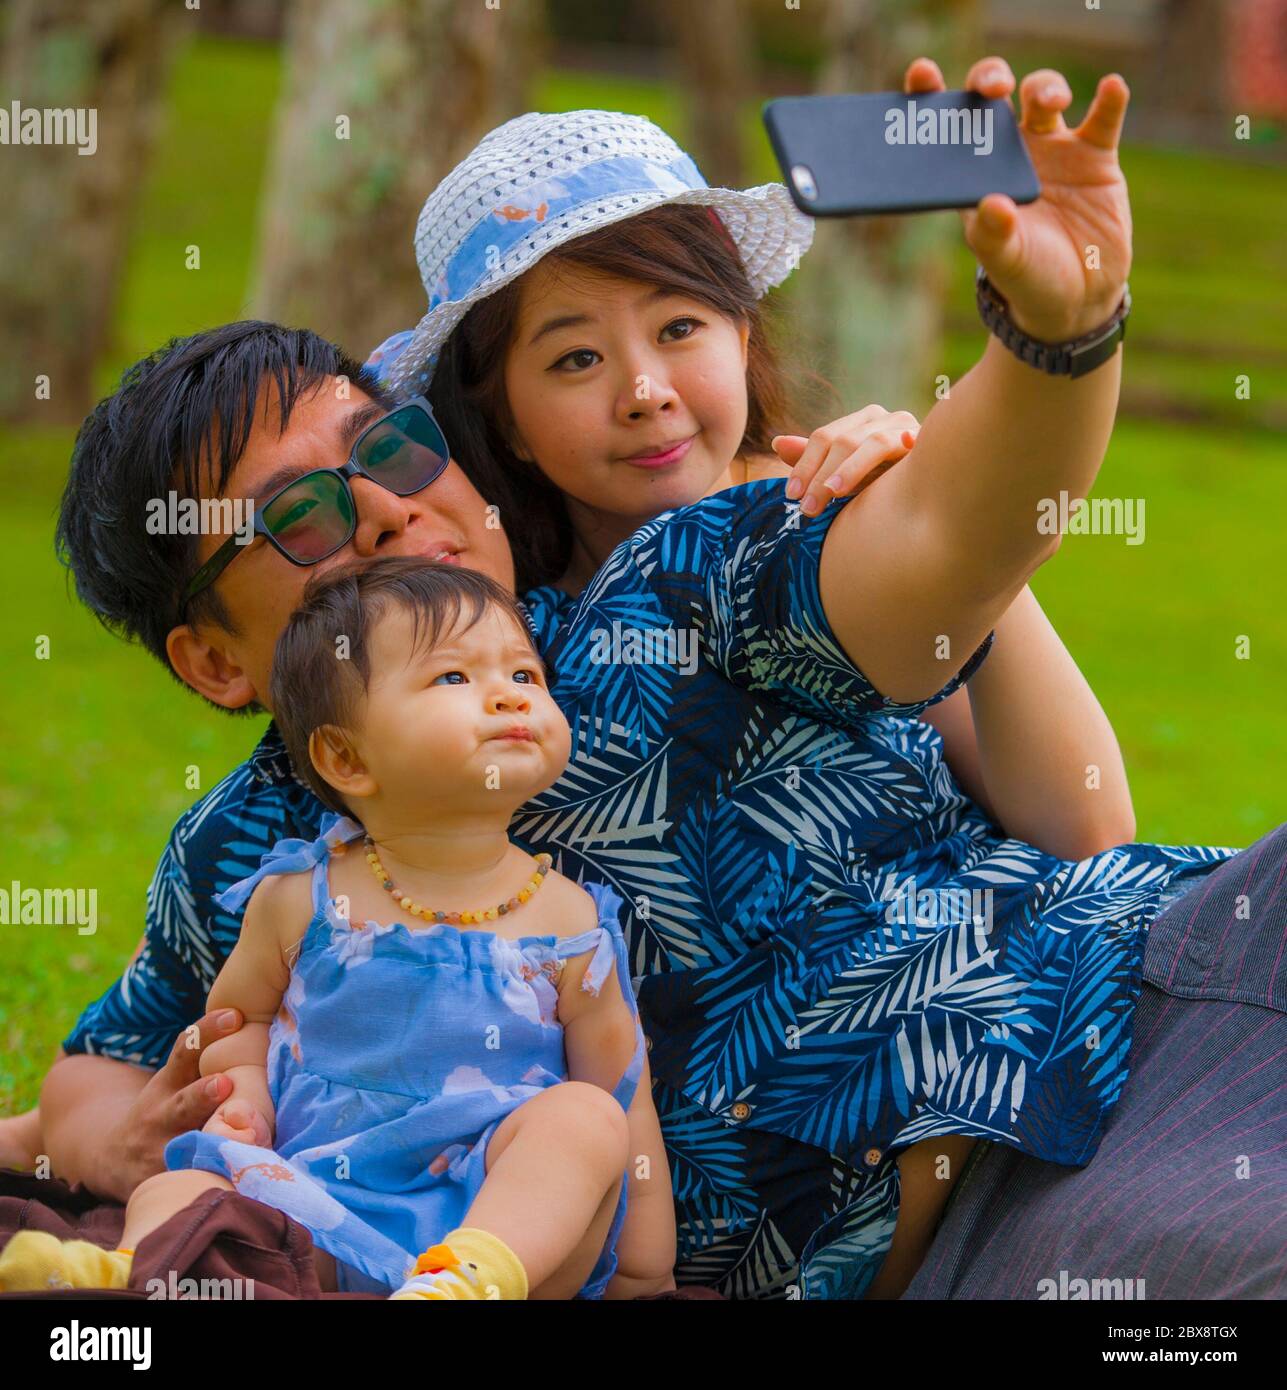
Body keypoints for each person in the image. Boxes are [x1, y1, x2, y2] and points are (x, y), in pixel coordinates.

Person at [2, 55, 1275, 1300]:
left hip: (1150, 1024)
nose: (386, 510)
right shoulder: (243, 851)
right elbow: (95, 1066)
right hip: (1022, 1233)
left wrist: (1058, 333)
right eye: (304, 518)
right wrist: (108, 1139)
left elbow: (956, 537)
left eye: (387, 445)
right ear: (218, 661)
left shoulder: (674, 587)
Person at [0, 560, 675, 1299]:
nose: (508, 697)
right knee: (187, 1179)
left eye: (525, 675)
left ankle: (462, 1283)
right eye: (453, 678)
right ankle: (127, 1270)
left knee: (582, 1118)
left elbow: (622, 1092)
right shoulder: (300, 896)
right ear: (346, 758)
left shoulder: (570, 921)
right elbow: (239, 1018)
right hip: (311, 1208)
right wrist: (245, 1100)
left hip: (495, 1217)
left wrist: (646, 1272)